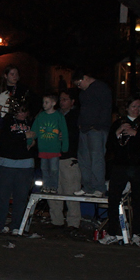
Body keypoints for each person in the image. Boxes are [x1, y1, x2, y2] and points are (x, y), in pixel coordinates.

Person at [99, 95, 140, 246]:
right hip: (121, 166)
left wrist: (135, 134)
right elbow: (110, 146)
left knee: (138, 201)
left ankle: (137, 234)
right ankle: (112, 232)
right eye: (134, 107)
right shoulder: (118, 123)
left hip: (139, 167)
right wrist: (118, 132)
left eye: (139, 107)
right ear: (127, 108)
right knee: (113, 199)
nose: (137, 110)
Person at [0, 100, 35, 235]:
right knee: (2, 196)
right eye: (19, 110)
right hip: (6, 163)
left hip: (26, 164)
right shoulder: (7, 121)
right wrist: (23, 136)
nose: (22, 114)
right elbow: (5, 138)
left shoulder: (32, 123)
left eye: (24, 111)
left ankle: (17, 225)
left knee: (20, 197)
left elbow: (38, 135)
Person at [72, 70, 112, 197]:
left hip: (96, 130)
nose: (79, 87)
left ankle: (99, 187)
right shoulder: (83, 93)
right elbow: (82, 108)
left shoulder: (101, 88)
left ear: (85, 77)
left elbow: (107, 107)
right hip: (84, 129)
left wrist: (98, 126)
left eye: (79, 84)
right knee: (84, 159)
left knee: (96, 159)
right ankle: (88, 186)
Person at [49, 89, 81, 229]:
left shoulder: (77, 116)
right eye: (60, 99)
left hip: (69, 159)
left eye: (65, 99)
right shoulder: (53, 115)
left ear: (72, 101)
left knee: (71, 192)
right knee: (54, 192)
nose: (62, 102)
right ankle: (56, 221)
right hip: (53, 158)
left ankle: (73, 223)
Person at [30, 93, 68, 194]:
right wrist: (30, 140)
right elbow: (35, 130)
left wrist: (65, 145)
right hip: (43, 148)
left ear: (53, 103)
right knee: (44, 168)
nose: (44, 104)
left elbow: (64, 131)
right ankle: (46, 186)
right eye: (43, 102)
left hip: (54, 148)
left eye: (46, 102)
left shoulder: (58, 116)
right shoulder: (41, 116)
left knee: (54, 169)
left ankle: (53, 186)